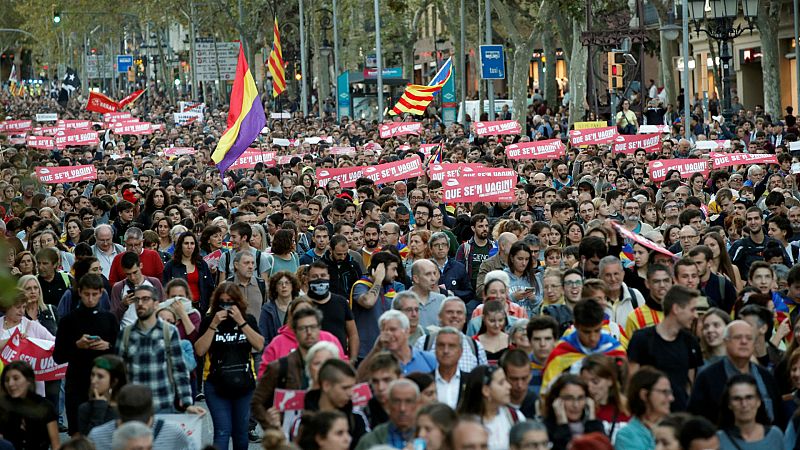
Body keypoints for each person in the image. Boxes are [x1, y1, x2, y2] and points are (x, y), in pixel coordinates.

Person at [193, 281, 264, 450]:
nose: (227, 306)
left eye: (230, 302)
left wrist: (241, 322)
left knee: (241, 432)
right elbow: (200, 350)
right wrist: (213, 325)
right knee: (223, 430)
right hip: (215, 382)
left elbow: (259, 345)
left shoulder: (248, 319)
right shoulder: (210, 320)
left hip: (244, 381)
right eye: (223, 302)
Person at [53, 273, 120, 436]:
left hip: (105, 385)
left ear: (101, 292)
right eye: (86, 294)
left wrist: (107, 345)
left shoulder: (110, 319)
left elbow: (120, 354)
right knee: (78, 434)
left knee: (106, 433)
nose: (90, 299)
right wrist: (77, 345)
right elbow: (58, 356)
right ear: (80, 292)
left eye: (94, 294)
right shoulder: (68, 320)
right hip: (77, 383)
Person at [688, 320, 786, 428]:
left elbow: (779, 416)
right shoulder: (707, 377)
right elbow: (695, 419)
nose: (744, 342)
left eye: (749, 338)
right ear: (726, 342)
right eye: (738, 337)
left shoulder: (765, 377)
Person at [627, 285, 704, 411]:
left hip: (680, 417)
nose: (696, 315)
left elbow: (690, 385)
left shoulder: (691, 342)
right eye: (692, 310)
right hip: (648, 416)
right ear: (676, 309)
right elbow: (632, 382)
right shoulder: (641, 339)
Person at [541, 299, 626, 395]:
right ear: (576, 325)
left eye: (597, 330)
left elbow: (624, 388)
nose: (593, 338)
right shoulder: (560, 353)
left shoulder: (614, 349)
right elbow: (546, 394)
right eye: (587, 332)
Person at [87, 384, 197, 449]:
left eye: (142, 422)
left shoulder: (174, 432)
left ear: (152, 413)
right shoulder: (97, 437)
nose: (137, 427)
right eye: (129, 422)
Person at [457, 365, 525, 450]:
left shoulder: (515, 417)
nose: (509, 386)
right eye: (501, 383)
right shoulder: (460, 424)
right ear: (486, 390)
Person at [303, 261, 359, 359]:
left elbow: (353, 334)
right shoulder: (300, 305)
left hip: (338, 361)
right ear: (307, 279)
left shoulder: (341, 302)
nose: (319, 279)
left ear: (328, 277)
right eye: (315, 276)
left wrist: (352, 360)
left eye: (323, 275)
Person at [0, 361, 60, 450]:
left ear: (29, 380)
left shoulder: (46, 407)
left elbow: (56, 445)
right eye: (7, 380)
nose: (10, 384)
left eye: (16, 378)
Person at [358, 310, 437, 376]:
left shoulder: (427, 359)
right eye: (383, 330)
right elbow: (359, 379)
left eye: (393, 329)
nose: (388, 334)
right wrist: (377, 349)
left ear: (406, 331)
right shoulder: (380, 362)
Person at [717, 374, 786, 449]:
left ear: (758, 401)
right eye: (737, 399)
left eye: (749, 397)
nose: (744, 404)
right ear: (729, 404)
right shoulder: (717, 440)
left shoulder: (775, 436)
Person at [615, 367, 674, 450]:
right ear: (644, 395)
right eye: (664, 392)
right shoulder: (626, 435)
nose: (671, 398)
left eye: (670, 392)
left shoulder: (675, 429)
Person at [541, 373, 605, 450]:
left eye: (580, 398)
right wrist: (562, 423)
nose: (576, 405)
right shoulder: (544, 428)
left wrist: (591, 419)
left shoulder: (595, 425)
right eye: (569, 398)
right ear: (556, 400)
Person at [354, 379, 419, 450]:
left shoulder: (428, 437)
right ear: (388, 404)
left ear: (417, 404)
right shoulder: (371, 441)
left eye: (408, 401)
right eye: (396, 401)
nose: (402, 408)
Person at [162, 231, 216, 313]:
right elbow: (165, 289)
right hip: (178, 309)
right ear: (180, 245)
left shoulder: (201, 264)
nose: (189, 246)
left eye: (192, 243)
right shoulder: (171, 266)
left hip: (200, 308)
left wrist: (210, 307)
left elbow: (210, 287)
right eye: (186, 243)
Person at [579, 354, 630, 439]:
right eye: (584, 383)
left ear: (610, 381)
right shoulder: (578, 410)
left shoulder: (628, 410)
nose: (589, 388)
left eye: (595, 382)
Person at [77, 354, 128, 436]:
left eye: (100, 376)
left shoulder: (127, 408)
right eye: (92, 374)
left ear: (114, 381)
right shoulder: (86, 408)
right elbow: (89, 441)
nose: (93, 381)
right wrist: (99, 408)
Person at [110, 251, 165, 326]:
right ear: (123, 271)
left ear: (141, 266)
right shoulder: (118, 288)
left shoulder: (154, 283)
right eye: (128, 274)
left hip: (152, 330)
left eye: (135, 272)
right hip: (127, 333)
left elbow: (163, 309)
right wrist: (123, 305)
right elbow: (112, 319)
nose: (132, 277)